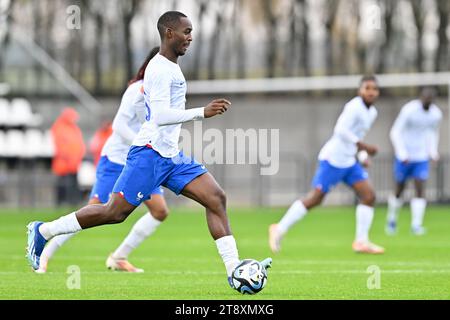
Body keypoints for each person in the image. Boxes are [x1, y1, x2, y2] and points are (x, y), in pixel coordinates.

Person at [26, 11, 271, 287]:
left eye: (191, 32)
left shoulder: (172, 67)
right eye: (186, 32)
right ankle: (44, 230)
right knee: (112, 213)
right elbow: (161, 116)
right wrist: (202, 112)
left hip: (169, 155)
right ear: (169, 33)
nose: (190, 37)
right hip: (149, 154)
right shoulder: (158, 69)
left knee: (215, 198)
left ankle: (234, 270)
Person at [35, 47, 169, 274]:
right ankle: (44, 251)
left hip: (142, 163)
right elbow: (118, 126)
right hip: (117, 160)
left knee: (159, 211)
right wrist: (143, 142)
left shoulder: (162, 92)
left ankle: (119, 257)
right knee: (94, 210)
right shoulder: (136, 90)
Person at [269, 75, 385, 255]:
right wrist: (364, 147)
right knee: (316, 198)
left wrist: (362, 155)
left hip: (349, 161)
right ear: (359, 90)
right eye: (367, 88)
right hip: (333, 159)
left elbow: (357, 135)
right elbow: (340, 130)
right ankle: (279, 228)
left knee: (369, 196)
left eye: (374, 89)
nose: (371, 92)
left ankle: (361, 242)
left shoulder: (372, 112)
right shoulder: (354, 107)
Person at [385, 87, 442, 236]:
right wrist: (402, 153)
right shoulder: (409, 110)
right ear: (420, 98)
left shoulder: (436, 114)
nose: (427, 101)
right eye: (425, 98)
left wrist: (433, 151)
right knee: (399, 189)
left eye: (430, 99)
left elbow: (433, 133)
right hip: (404, 156)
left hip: (421, 157)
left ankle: (416, 225)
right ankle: (391, 220)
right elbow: (395, 131)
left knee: (420, 188)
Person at [50, 107, 85, 206]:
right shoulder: (59, 127)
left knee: (73, 183)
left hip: (74, 162)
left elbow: (79, 143)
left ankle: (73, 202)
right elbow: (60, 145)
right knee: (62, 183)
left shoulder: (74, 128)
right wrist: (68, 157)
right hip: (63, 162)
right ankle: (60, 202)